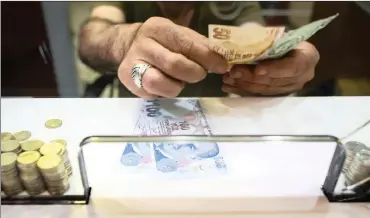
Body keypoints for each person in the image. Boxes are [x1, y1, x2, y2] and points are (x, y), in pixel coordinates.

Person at [78, 2, 320, 98]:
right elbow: (93, 38)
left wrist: (285, 55)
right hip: (137, 113)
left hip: (214, 122)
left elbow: (254, 33)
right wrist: (126, 39)